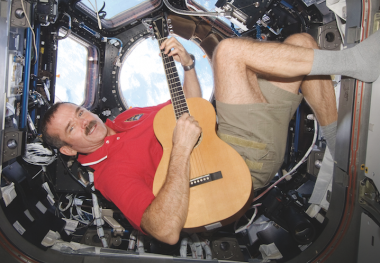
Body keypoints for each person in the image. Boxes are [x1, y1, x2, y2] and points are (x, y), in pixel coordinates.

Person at [41, 29, 380, 245]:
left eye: (79, 112)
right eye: (72, 127)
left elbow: (190, 107)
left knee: (302, 44)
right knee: (228, 53)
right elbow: (164, 230)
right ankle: (357, 62)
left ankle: (339, 147)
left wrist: (188, 67)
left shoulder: (129, 117)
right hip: (230, 169)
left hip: (235, 141)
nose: (84, 121)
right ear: (69, 150)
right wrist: (180, 150)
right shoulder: (108, 175)